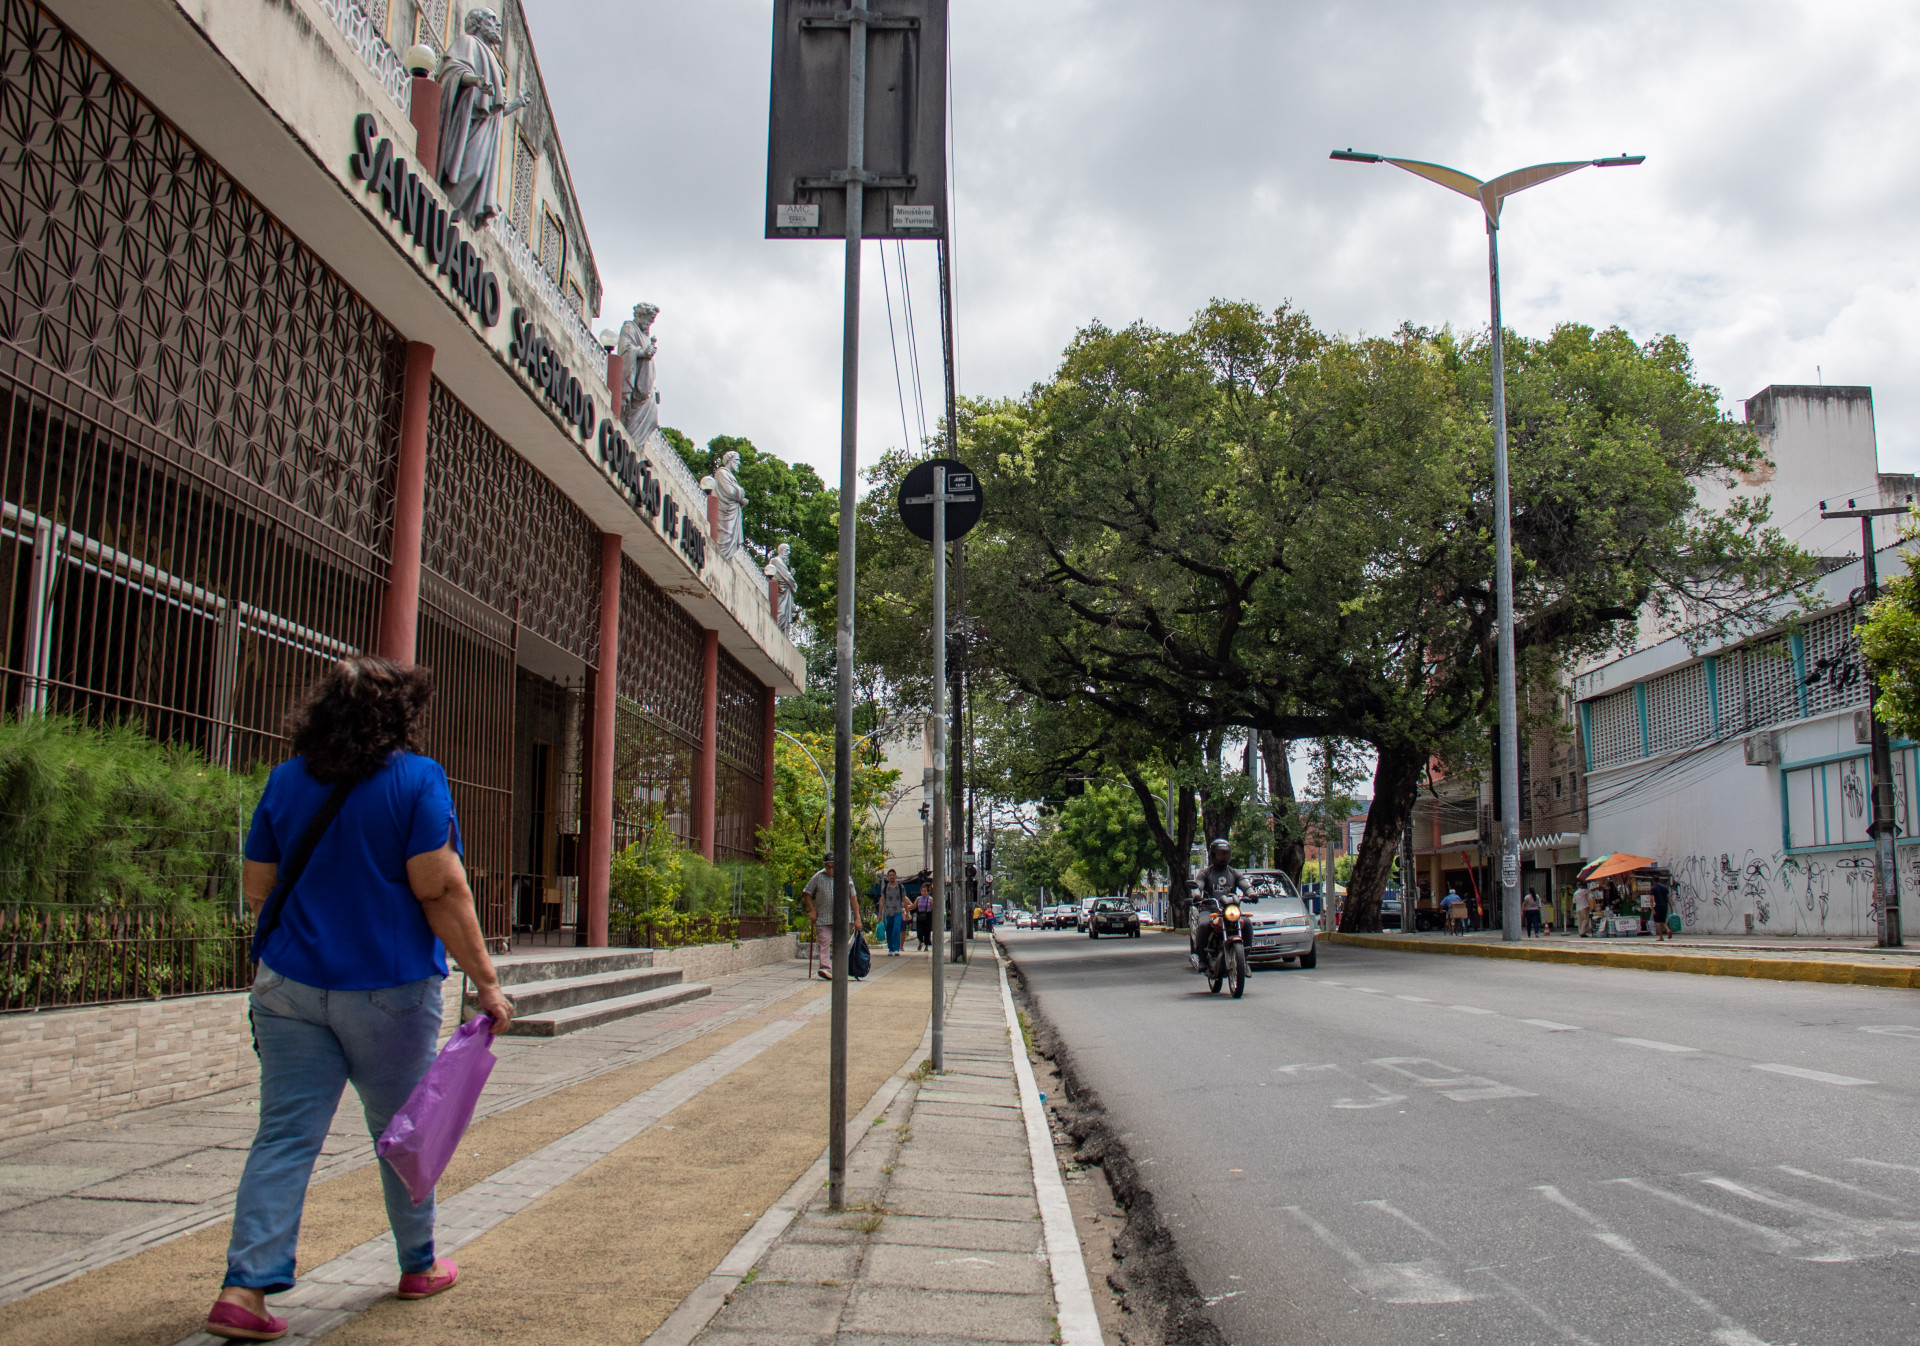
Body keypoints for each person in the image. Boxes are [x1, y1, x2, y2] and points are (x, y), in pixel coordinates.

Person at [203, 657, 512, 1343]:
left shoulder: (285, 781)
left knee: (283, 1135)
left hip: (288, 988)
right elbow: (440, 889)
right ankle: (418, 1265)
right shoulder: (416, 780)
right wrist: (486, 982)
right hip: (387, 990)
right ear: (399, 717)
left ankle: (244, 1288)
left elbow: (259, 888)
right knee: (402, 1129)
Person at [802, 855, 861, 980]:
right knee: (824, 942)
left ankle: (841, 968)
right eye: (828, 867)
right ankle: (825, 968)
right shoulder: (818, 877)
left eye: (833, 867)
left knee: (841, 944)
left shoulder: (846, 878)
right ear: (824, 865)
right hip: (823, 917)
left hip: (842, 918)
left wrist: (857, 918)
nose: (830, 870)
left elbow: (853, 898)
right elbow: (807, 893)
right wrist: (812, 910)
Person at [879, 869, 907, 956]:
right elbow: (882, 900)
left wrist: (907, 911)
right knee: (889, 930)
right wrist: (880, 913)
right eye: (890, 875)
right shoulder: (885, 887)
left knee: (896, 929)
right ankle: (890, 948)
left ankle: (896, 948)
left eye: (893, 875)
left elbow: (904, 899)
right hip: (887, 912)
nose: (891, 876)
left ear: (896, 876)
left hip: (897, 911)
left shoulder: (900, 887)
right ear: (887, 877)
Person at [913, 880, 934, 951]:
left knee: (927, 932)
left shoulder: (930, 899)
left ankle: (926, 946)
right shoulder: (918, 898)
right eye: (922, 891)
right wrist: (907, 907)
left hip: (927, 916)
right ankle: (920, 943)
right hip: (920, 916)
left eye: (925, 891)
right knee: (919, 931)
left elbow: (933, 908)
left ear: (928, 892)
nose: (923, 892)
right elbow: (914, 906)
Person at [1651, 877, 1673, 941]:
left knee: (1657, 921)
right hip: (1665, 906)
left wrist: (1652, 908)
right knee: (1663, 920)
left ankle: (1661, 937)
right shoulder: (1664, 887)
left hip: (1657, 906)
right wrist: (1671, 907)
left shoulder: (1653, 888)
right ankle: (1668, 930)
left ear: (1653, 881)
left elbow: (1651, 899)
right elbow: (1668, 897)